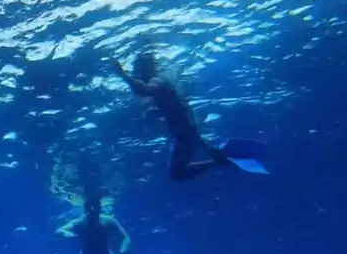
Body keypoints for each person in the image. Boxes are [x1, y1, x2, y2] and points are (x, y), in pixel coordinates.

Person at [109, 51, 268, 180]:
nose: (137, 75)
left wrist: (122, 74)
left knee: (177, 173)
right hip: (189, 129)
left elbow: (144, 90)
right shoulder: (166, 80)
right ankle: (222, 158)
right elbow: (171, 105)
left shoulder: (157, 81)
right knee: (188, 164)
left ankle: (221, 161)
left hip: (184, 133)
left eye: (138, 71)